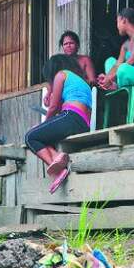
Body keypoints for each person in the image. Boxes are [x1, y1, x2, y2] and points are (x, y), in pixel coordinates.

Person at [25, 54, 92, 194]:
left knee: (30, 137)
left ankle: (57, 169)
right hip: (83, 124)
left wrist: (43, 125)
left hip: (70, 116)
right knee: (42, 136)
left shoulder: (61, 75)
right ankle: (56, 156)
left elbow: (54, 108)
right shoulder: (82, 82)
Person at [97, 7, 134, 92]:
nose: (117, 26)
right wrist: (106, 78)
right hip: (131, 79)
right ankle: (114, 85)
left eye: (117, 22)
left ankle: (115, 86)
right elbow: (117, 65)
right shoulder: (125, 45)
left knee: (123, 68)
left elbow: (132, 61)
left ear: (123, 20)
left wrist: (110, 78)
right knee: (110, 61)